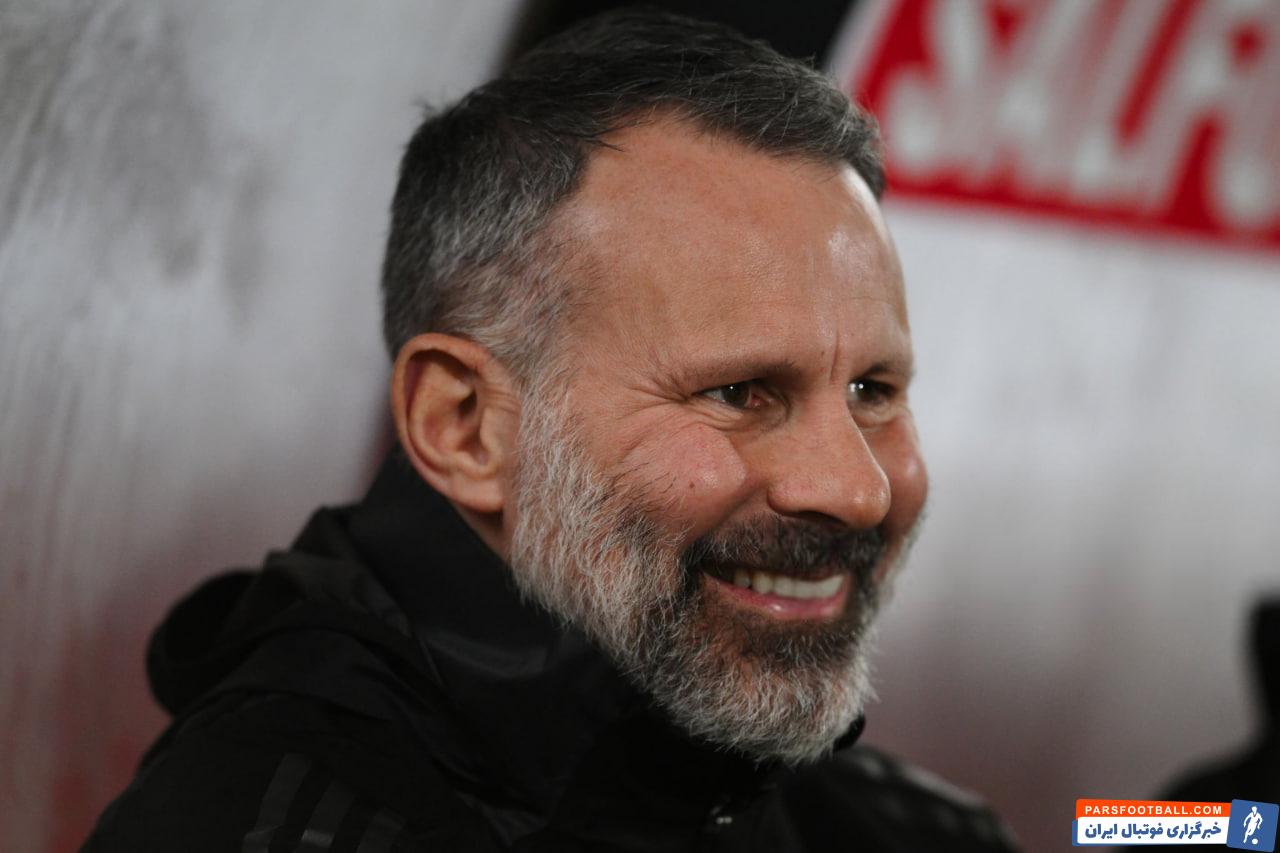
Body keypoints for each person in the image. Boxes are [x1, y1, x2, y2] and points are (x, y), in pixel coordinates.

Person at [85, 9, 1018, 852]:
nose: (857, 489)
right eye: (740, 392)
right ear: (464, 426)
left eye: (871, 389)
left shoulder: (898, 826)